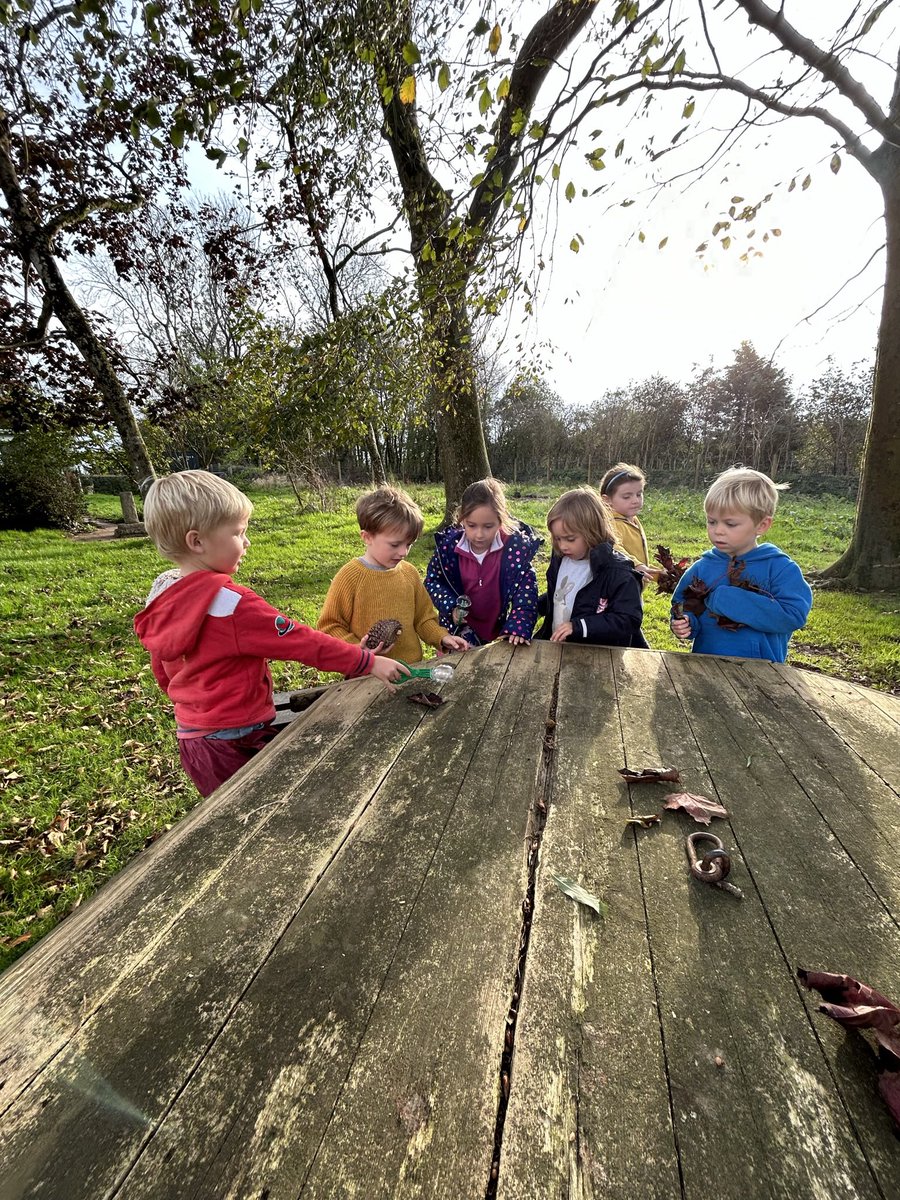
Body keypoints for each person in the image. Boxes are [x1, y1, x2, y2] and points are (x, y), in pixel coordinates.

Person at [135, 470, 407, 798]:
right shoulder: (230, 604)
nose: (247, 542)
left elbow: (162, 668)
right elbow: (300, 642)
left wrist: (190, 703)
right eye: (238, 533)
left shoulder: (163, 598)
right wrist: (364, 661)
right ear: (197, 542)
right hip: (238, 740)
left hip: (194, 742)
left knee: (228, 815)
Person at [670, 467, 813, 662]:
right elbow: (683, 604)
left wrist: (726, 599)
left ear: (762, 525)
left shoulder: (779, 568)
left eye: (730, 524)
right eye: (711, 522)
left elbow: (793, 615)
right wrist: (686, 622)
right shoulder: (703, 567)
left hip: (763, 671)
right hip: (706, 665)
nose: (718, 531)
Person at [318, 485, 469, 663]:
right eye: (395, 545)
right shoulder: (350, 577)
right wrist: (357, 649)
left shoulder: (409, 573)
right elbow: (329, 627)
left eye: (409, 544)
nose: (404, 552)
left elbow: (423, 619)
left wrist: (442, 637)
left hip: (411, 669)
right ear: (367, 537)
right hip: (367, 673)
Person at [424, 477, 542, 646]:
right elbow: (433, 580)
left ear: (501, 521)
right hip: (458, 632)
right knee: (456, 670)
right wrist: (451, 607)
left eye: (488, 526)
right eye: (471, 525)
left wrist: (518, 626)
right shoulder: (448, 549)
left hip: (498, 632)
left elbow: (526, 590)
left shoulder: (515, 551)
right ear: (461, 519)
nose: (479, 534)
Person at [534, 486, 648, 647]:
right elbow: (559, 596)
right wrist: (531, 610)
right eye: (558, 539)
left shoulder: (619, 572)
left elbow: (628, 619)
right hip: (558, 650)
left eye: (570, 539)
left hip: (600, 657)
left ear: (592, 531)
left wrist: (580, 627)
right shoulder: (561, 559)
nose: (563, 546)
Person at [598, 462, 661, 582]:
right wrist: (636, 565)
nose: (636, 500)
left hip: (634, 585)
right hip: (619, 591)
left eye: (639, 494)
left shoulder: (633, 519)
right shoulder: (611, 524)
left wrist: (660, 575)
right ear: (607, 500)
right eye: (627, 497)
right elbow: (614, 548)